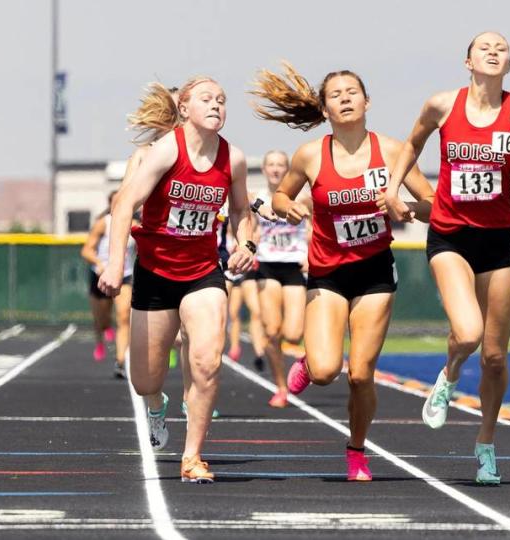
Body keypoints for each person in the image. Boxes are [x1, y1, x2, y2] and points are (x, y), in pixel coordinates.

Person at [252, 62, 434, 481]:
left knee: (360, 374)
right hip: (328, 272)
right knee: (323, 371)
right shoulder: (312, 155)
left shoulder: (391, 152)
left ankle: (357, 452)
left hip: (374, 272)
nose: (346, 98)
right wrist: (290, 207)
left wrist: (404, 208)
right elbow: (281, 195)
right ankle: (307, 364)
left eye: (353, 92)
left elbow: (431, 204)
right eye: (336, 94)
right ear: (325, 109)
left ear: (367, 102)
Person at [383, 31, 510, 485]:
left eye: (502, 48)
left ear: (509, 63)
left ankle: (486, 444)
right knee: (468, 332)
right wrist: (393, 189)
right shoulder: (441, 105)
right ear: (467, 60)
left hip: (497, 242)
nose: (493, 53)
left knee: (495, 357)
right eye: (484, 48)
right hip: (450, 235)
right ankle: (449, 375)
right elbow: (410, 144)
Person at [99, 76, 254, 484]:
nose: (217, 105)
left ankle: (193, 457)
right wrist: (116, 265)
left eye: (222, 99)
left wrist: (247, 243)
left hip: (203, 272)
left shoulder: (233, 159)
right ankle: (156, 404)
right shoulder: (164, 152)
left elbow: (241, 211)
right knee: (145, 378)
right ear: (184, 109)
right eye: (207, 99)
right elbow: (124, 204)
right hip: (154, 273)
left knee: (206, 361)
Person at [251, 150, 311, 408]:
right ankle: (281, 388)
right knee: (272, 331)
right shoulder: (257, 198)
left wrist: (312, 255)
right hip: (267, 265)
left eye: (280, 165)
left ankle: (306, 363)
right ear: (264, 169)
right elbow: (246, 218)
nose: (275, 169)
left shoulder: (302, 198)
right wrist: (247, 246)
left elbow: (318, 224)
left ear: (288, 170)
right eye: (271, 164)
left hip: (294, 265)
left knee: (294, 334)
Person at [81, 191, 135, 377]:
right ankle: (101, 337)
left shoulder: (134, 224)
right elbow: (87, 250)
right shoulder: (103, 223)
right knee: (101, 319)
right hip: (101, 276)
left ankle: (120, 361)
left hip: (125, 276)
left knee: (123, 316)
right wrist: (99, 264)